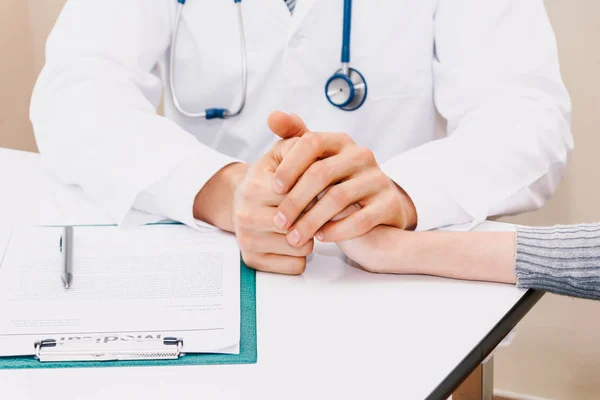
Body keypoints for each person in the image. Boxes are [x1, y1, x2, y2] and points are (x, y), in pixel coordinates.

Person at [30, 0, 572, 274]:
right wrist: (222, 189)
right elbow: (76, 88)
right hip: (208, 265)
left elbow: (527, 116)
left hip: (390, 277)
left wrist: (399, 192)